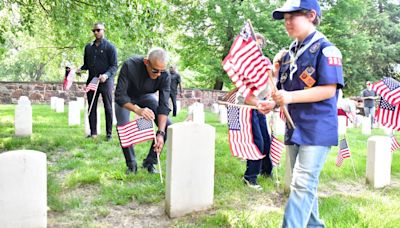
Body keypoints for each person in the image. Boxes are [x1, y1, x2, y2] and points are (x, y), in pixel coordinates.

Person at [270, 0, 344, 227]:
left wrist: (289, 97)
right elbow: (284, 91)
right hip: (294, 127)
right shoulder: (287, 54)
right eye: (284, 18)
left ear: (311, 15)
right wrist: (271, 101)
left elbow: (328, 89)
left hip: (317, 128)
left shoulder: (326, 49)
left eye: (293, 16)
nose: (287, 22)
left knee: (302, 184)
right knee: (303, 184)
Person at [114, 47, 171, 174]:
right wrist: (137, 110)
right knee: (123, 127)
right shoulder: (130, 65)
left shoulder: (164, 75)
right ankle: (131, 164)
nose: (158, 75)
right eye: (155, 70)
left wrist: (161, 133)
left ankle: (150, 162)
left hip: (146, 96)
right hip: (127, 98)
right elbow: (119, 95)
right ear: (146, 62)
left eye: (162, 71)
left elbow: (163, 105)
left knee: (167, 126)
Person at [240, 33, 275, 190]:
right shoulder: (245, 65)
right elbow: (245, 91)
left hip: (260, 105)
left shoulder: (265, 61)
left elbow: (270, 79)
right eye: (255, 45)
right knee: (256, 142)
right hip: (249, 106)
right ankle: (250, 177)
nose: (258, 48)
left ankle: (266, 172)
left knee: (266, 141)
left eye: (260, 46)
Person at [76, 22, 118, 141]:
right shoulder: (88, 47)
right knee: (91, 106)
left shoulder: (110, 47)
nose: (96, 32)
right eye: (93, 30)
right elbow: (87, 64)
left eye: (98, 30)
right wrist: (81, 69)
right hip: (92, 81)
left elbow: (114, 66)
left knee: (108, 107)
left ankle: (109, 134)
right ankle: (93, 132)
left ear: (103, 30)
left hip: (106, 81)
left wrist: (106, 75)